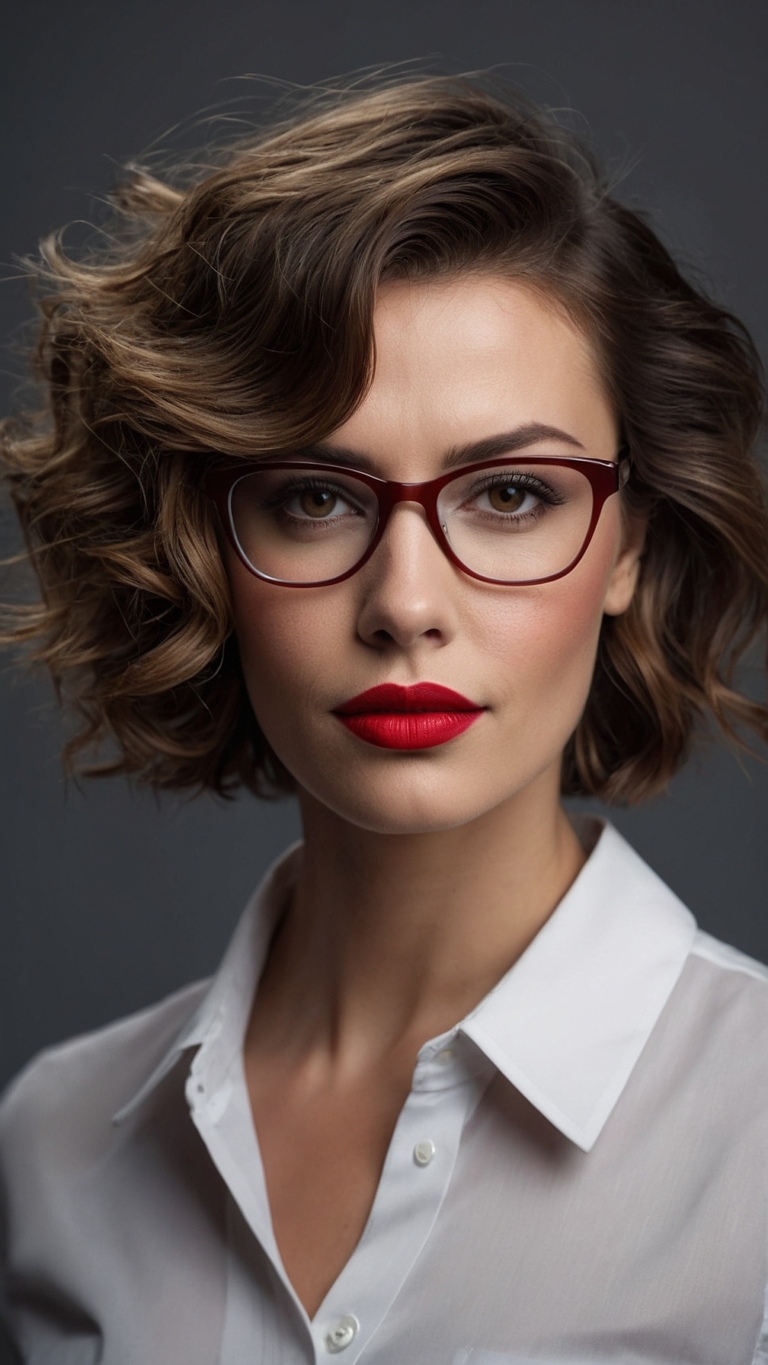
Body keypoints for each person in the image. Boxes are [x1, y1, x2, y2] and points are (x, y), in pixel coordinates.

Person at [1, 73, 767, 1365]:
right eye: (315, 497)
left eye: (512, 493)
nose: (406, 603)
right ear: (209, 544)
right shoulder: (53, 1146)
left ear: (627, 540)